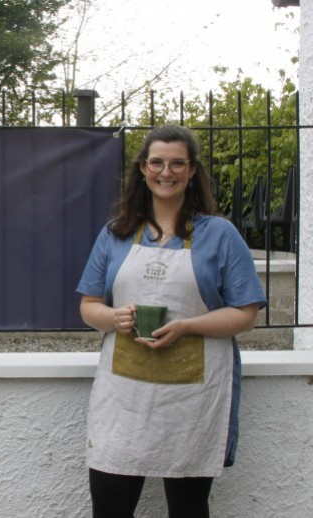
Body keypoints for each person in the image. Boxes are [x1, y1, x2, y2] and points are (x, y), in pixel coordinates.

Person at [76, 125, 266, 517]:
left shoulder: (221, 235)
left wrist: (187, 325)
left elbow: (245, 313)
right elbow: (89, 305)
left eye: (178, 163)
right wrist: (114, 317)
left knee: (189, 509)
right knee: (110, 505)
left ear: (192, 170)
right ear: (143, 169)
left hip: (192, 398)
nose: (167, 172)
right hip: (124, 397)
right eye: (157, 162)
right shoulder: (116, 234)